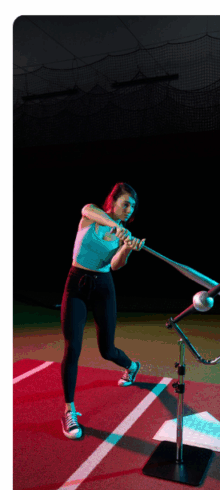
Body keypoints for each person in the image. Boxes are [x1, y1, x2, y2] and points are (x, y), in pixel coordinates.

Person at [61, 183, 147, 440]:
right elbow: (86, 208)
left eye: (132, 206)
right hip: (76, 283)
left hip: (102, 287)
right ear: (113, 201)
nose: (129, 209)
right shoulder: (93, 216)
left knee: (106, 350)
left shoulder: (125, 234)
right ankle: (68, 411)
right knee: (72, 347)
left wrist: (126, 248)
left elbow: (115, 265)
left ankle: (131, 366)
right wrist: (116, 227)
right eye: (126, 203)